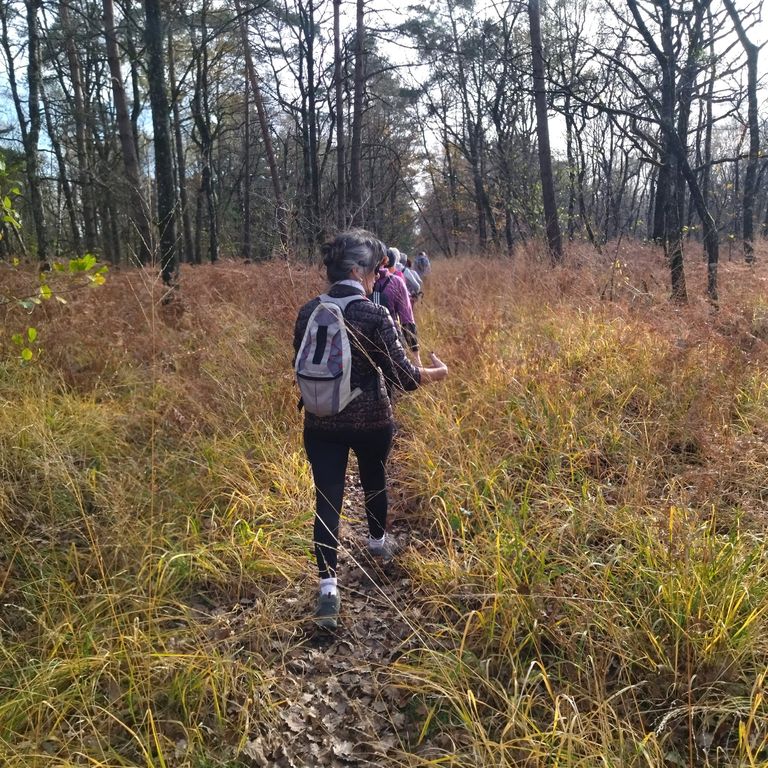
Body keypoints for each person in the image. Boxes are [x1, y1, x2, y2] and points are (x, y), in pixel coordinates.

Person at [293, 229, 449, 630]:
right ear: (357, 271)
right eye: (374, 270)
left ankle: (328, 589)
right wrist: (438, 372)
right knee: (374, 478)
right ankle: (378, 544)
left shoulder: (308, 311)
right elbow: (403, 376)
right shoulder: (374, 314)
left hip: (320, 423)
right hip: (371, 421)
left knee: (327, 499)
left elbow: (301, 365)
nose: (377, 277)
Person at [374, 248, 421, 365]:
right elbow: (407, 320)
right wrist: (416, 357)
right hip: (393, 340)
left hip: (364, 343)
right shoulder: (397, 282)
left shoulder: (361, 280)